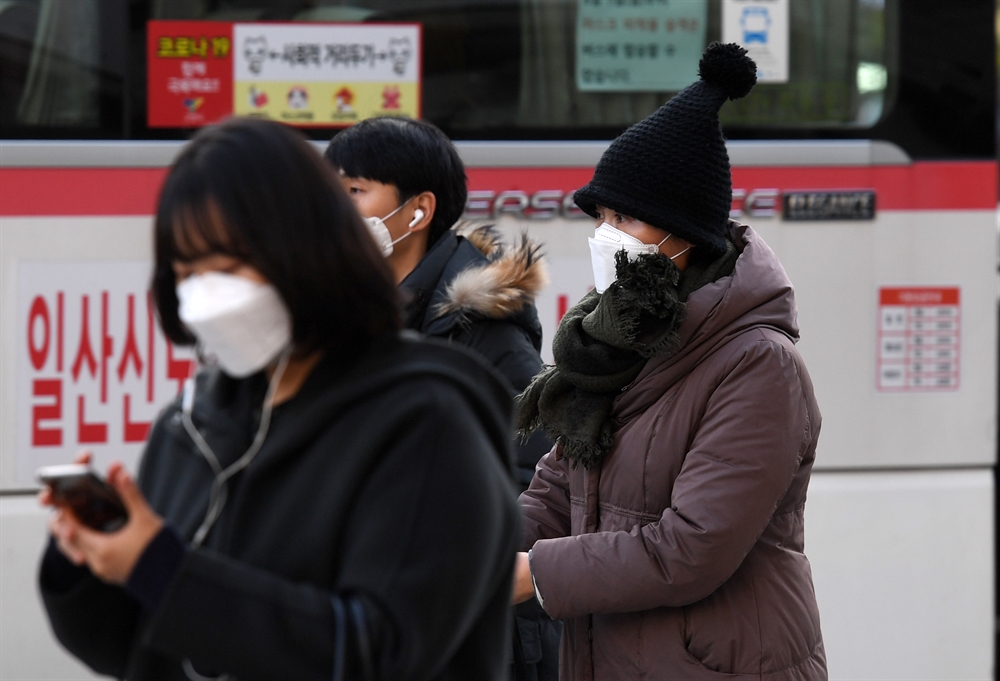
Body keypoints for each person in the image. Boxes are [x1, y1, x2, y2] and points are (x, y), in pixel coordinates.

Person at [38, 117, 521, 681]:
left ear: (310, 247)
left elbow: (381, 651)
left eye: (230, 263)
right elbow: (145, 649)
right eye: (188, 269)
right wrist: (95, 561)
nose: (205, 292)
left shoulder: (425, 418)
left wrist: (166, 573)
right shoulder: (192, 422)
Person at [512, 43, 827, 680]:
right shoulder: (618, 338)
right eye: (600, 216)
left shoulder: (758, 365)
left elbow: (692, 549)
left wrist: (532, 574)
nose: (605, 234)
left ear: (683, 236)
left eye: (623, 216)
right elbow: (554, 490)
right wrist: (471, 546)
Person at [324, 116, 560, 681]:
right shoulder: (350, 319)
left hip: (473, 637)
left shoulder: (482, 333)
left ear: (418, 211)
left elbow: (543, 482)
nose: (333, 211)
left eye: (354, 192)